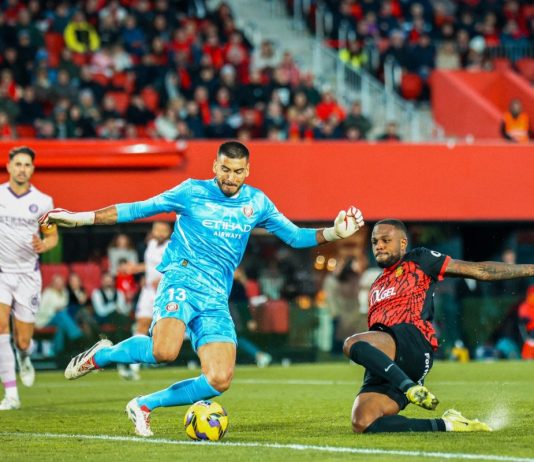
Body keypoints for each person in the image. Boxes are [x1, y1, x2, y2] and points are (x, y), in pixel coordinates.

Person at [39, 141, 364, 436]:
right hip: (181, 278)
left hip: (215, 296)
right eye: (225, 169)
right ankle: (103, 355)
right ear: (214, 166)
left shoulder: (257, 202)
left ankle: (143, 404)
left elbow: (295, 236)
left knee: (219, 379)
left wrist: (334, 233)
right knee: (163, 351)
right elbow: (136, 209)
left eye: (238, 171)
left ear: (247, 171)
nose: (230, 177)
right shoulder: (191, 191)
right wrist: (80, 219)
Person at [343, 219, 534, 434]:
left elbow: (480, 270)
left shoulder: (419, 259)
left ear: (403, 243)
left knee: (352, 343)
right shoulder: (377, 283)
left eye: (386, 240)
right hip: (391, 360)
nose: (379, 245)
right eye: (375, 241)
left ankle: (410, 388)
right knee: (363, 422)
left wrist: (530, 269)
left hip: (412, 341)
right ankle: (450, 424)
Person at [0, 146, 58, 410]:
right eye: (18, 164)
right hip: (2, 273)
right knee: (1, 326)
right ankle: (11, 394)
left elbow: (52, 236)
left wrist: (44, 246)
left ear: (32, 169)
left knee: (23, 341)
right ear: (9, 166)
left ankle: (24, 355)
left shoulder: (44, 201)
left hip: (28, 276)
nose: (22, 169)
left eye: (27, 165)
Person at [123, 221, 172, 380]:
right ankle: (133, 367)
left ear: (169, 232)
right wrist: (135, 268)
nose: (159, 233)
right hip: (148, 292)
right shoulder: (150, 244)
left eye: (163, 230)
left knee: (163, 328)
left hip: (164, 292)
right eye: (157, 229)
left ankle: (155, 358)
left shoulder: (172, 247)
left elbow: (178, 266)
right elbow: (150, 265)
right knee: (141, 324)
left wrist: (163, 278)